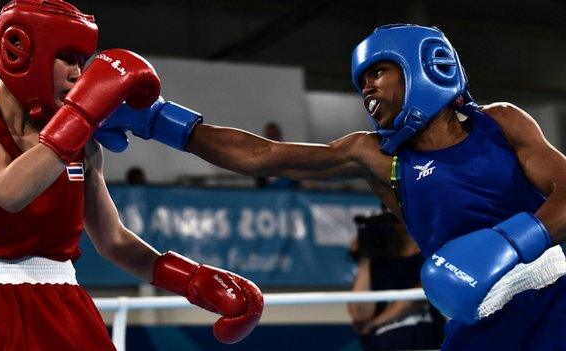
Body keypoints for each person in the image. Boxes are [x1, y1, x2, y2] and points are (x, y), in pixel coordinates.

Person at [97, 23, 566, 350]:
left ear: (425, 66)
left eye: (378, 73)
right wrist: (163, 122)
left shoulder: (500, 123)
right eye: (361, 82)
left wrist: (510, 242)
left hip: (554, 293)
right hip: (474, 313)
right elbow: (261, 155)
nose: (367, 90)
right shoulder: (377, 155)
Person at [0, 1, 263, 349]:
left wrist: (191, 279)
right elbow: (10, 191)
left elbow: (113, 240)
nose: (79, 75)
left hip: (62, 298)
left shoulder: (80, 140)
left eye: (83, 63)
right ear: (21, 52)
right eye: (67, 58)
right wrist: (84, 114)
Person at [348, 212, 445, 350]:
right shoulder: (372, 265)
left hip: (423, 333)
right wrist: (365, 255)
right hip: (384, 341)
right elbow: (360, 315)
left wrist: (375, 323)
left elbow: (416, 299)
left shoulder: (425, 254)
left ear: (400, 227)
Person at [255, 122, 300, 188]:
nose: (272, 138)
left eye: (274, 135)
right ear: (266, 136)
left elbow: (296, 173)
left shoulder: (289, 152)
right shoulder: (260, 154)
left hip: (289, 189)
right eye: (270, 136)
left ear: (279, 134)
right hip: (267, 190)